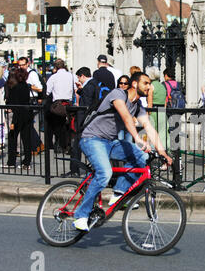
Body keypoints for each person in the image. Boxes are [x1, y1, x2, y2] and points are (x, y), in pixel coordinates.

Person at [73, 71, 173, 231]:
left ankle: (118, 193)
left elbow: (149, 128)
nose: (150, 86)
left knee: (141, 157)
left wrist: (163, 153)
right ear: (135, 84)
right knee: (104, 173)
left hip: (111, 142)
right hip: (92, 138)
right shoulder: (118, 94)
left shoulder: (138, 107)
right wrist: (138, 139)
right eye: (146, 83)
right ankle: (80, 215)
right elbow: (126, 117)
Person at [64, 66, 100, 177]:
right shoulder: (93, 84)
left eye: (79, 78)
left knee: (77, 146)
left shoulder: (89, 86)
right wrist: (80, 90)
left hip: (84, 120)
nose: (79, 80)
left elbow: (87, 105)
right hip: (89, 120)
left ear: (83, 76)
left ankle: (75, 170)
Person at [2, 67, 33, 170]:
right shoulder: (26, 86)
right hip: (27, 114)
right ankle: (27, 162)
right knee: (26, 139)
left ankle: (11, 161)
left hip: (17, 115)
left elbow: (11, 101)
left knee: (12, 138)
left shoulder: (14, 87)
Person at [45, 58, 74, 153]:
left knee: (58, 126)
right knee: (68, 125)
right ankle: (67, 145)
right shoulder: (71, 76)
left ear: (56, 67)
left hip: (57, 104)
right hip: (68, 103)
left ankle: (60, 145)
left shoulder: (54, 77)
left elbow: (47, 91)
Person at [18, 56, 44, 154]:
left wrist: (29, 87)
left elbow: (40, 88)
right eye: (19, 65)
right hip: (23, 100)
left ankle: (36, 145)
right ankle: (36, 145)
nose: (21, 67)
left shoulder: (32, 74)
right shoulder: (20, 73)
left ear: (28, 64)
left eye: (23, 65)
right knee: (27, 125)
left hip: (31, 100)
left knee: (27, 125)